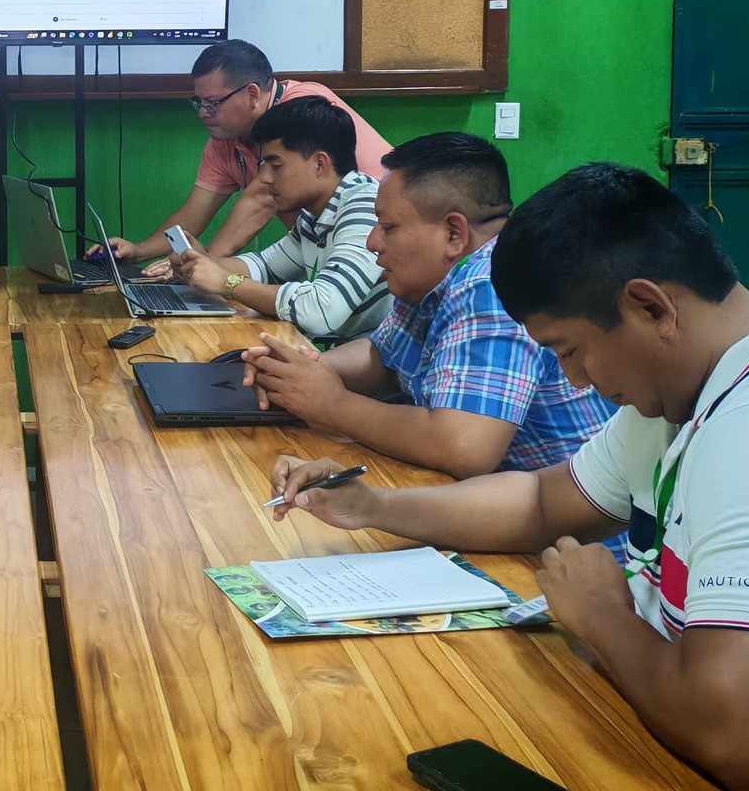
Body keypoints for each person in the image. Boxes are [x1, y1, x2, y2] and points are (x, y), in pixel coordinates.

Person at [268, 164, 749, 791]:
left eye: (569, 349)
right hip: (695, 772)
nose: (572, 380)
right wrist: (374, 506)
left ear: (651, 307)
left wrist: (604, 615)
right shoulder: (692, 389)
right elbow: (542, 502)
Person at [246, 133, 615, 478]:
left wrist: (333, 405)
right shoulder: (430, 278)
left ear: (453, 233)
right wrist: (298, 371)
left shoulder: (492, 284)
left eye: (388, 227)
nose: (373, 242)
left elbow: (463, 445)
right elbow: (382, 359)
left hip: (561, 521)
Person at [91, 38, 391, 272]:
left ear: (251, 94)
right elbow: (192, 216)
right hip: (323, 250)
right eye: (198, 102)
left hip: (380, 240)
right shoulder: (226, 139)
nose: (203, 113)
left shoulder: (303, 108)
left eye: (212, 102)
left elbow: (261, 200)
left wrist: (205, 265)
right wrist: (138, 251)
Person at [169, 95, 389, 345]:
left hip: (384, 362)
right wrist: (202, 263)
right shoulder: (314, 215)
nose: (264, 178)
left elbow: (319, 310)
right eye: (263, 165)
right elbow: (266, 268)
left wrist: (225, 282)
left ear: (319, 164)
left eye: (276, 166)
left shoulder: (366, 207)